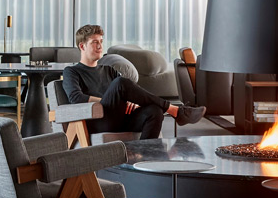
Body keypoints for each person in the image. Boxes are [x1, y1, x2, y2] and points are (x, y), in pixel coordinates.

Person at [62, 24, 205, 139]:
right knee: (120, 83)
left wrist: (130, 101)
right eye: (94, 42)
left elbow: (128, 92)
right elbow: (76, 98)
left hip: (121, 118)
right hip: (99, 121)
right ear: (82, 46)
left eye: (101, 41)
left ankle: (146, 156)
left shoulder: (108, 70)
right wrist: (112, 100)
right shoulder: (71, 71)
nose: (100, 46)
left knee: (154, 111)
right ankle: (175, 110)